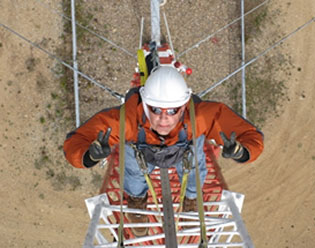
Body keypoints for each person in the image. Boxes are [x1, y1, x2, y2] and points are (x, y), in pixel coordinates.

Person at [63, 66, 264, 236]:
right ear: (144, 104)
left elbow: (251, 137)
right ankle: (137, 198)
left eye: (173, 110)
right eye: (156, 110)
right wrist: (89, 155)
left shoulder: (199, 117)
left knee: (195, 166)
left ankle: (192, 200)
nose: (164, 119)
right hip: (143, 153)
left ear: (184, 106)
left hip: (183, 152)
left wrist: (241, 151)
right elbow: (76, 142)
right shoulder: (127, 120)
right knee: (133, 172)